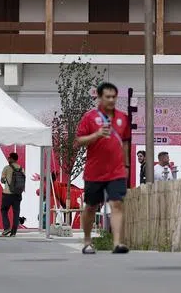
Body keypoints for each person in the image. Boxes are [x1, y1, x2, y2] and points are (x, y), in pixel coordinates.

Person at [74, 81, 131, 254]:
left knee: (117, 203)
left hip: (116, 171)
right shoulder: (90, 117)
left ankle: (117, 243)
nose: (111, 100)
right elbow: (79, 141)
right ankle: (87, 241)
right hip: (95, 171)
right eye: (108, 97)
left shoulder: (122, 118)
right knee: (91, 206)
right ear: (99, 97)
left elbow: (125, 143)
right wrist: (97, 135)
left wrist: (126, 165)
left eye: (114, 97)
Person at [0, 152, 26, 236]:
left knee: (4, 210)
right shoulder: (21, 169)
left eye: (9, 158)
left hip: (7, 194)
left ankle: (7, 228)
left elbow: (2, 180)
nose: (8, 159)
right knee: (16, 213)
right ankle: (14, 232)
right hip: (18, 194)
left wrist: (7, 180)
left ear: (11, 158)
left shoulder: (7, 168)